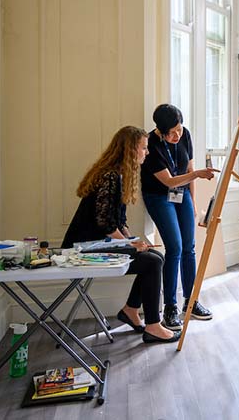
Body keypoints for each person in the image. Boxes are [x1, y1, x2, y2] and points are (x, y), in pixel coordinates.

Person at [62, 126, 180, 344]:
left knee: (156, 258)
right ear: (131, 150)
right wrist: (130, 244)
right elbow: (105, 224)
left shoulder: (116, 175)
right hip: (82, 249)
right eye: (143, 148)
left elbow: (117, 221)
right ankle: (153, 325)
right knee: (152, 263)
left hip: (95, 243)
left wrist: (133, 240)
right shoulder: (110, 177)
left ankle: (131, 310)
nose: (147, 152)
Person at [141, 104, 218, 330]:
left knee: (189, 247)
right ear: (160, 131)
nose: (177, 135)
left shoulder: (186, 135)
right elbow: (169, 181)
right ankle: (170, 307)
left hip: (182, 194)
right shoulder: (151, 144)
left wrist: (192, 201)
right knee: (174, 248)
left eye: (179, 130)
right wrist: (195, 175)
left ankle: (191, 302)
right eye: (171, 133)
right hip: (159, 196)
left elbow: (188, 168)